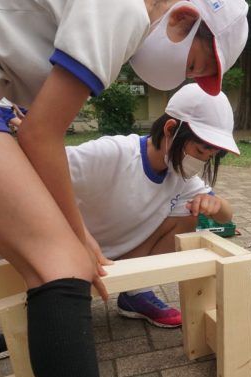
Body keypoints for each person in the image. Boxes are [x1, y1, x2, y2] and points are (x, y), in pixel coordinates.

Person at [0, 0, 247, 377]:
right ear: (183, 18)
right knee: (62, 265)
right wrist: (76, 236)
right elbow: (40, 137)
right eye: (191, 64)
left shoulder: (181, 175)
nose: (180, 78)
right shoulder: (125, 9)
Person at [67, 83, 236, 328]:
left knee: (189, 216)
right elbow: (41, 173)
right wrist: (79, 237)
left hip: (123, 254)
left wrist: (215, 204)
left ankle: (136, 292)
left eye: (208, 157)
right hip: (77, 248)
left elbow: (226, 217)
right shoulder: (113, 153)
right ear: (170, 129)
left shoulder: (180, 173)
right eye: (199, 150)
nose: (200, 162)